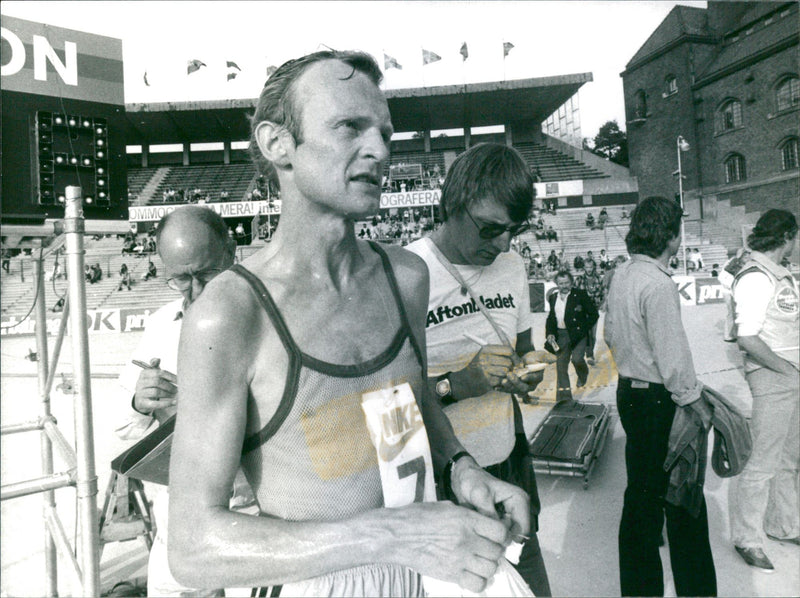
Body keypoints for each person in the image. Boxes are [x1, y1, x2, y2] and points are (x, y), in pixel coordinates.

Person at [168, 51, 529, 596]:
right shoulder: (228, 313)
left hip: (426, 572)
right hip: (318, 582)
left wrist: (461, 469)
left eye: (384, 131)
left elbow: (405, 405)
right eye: (349, 127)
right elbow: (193, 548)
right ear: (277, 144)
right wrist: (389, 536)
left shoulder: (404, 276)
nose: (381, 149)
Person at [407, 143, 552, 596]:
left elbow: (526, 351)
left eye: (515, 230)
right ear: (453, 204)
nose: (503, 244)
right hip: (446, 479)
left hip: (508, 464)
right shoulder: (410, 273)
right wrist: (460, 384)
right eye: (490, 229)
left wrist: (528, 376)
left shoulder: (512, 266)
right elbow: (392, 397)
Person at [115, 206, 239, 596]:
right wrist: (139, 401)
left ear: (231, 251)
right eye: (180, 279)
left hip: (247, 522)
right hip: (176, 526)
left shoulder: (269, 317)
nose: (196, 290)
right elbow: (120, 428)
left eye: (206, 274)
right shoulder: (158, 325)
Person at [604, 196, 716, 597]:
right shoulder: (658, 283)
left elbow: (610, 336)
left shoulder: (622, 275)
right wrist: (695, 402)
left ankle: (639, 590)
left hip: (629, 394)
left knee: (640, 498)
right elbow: (673, 357)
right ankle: (697, 591)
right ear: (671, 236)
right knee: (684, 501)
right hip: (658, 401)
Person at [729, 209, 799, 572]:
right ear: (786, 236)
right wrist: (785, 369)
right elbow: (747, 337)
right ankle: (747, 538)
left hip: (789, 376)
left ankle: (783, 524)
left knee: (789, 460)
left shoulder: (778, 274)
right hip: (775, 377)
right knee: (762, 464)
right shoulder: (756, 277)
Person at [546, 270, 598, 401]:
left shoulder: (580, 295)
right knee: (561, 367)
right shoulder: (553, 298)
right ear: (557, 283)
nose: (564, 286)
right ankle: (565, 400)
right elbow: (551, 318)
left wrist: (583, 328)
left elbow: (593, 314)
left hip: (578, 335)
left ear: (571, 282)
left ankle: (583, 374)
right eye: (561, 283)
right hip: (560, 335)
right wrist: (550, 333)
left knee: (577, 359)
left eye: (567, 282)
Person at [575, 258, 605, 364]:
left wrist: (600, 304)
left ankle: (590, 354)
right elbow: (574, 294)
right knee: (584, 333)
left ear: (594, 267)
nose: (589, 269)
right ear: (584, 268)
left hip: (593, 310)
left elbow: (603, 294)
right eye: (587, 267)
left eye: (590, 267)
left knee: (592, 334)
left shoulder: (599, 279)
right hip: (582, 310)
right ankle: (587, 355)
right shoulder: (579, 280)